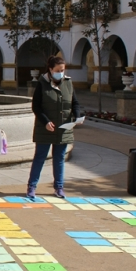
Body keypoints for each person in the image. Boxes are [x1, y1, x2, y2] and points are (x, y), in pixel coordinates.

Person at [27, 55, 81, 199]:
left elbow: (74, 103)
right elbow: (36, 106)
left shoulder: (68, 83)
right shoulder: (42, 83)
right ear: (50, 70)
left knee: (59, 158)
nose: (60, 73)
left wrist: (77, 115)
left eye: (62, 70)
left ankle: (59, 187)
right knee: (40, 157)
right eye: (57, 70)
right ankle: (32, 187)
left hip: (63, 129)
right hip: (46, 128)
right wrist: (45, 122)